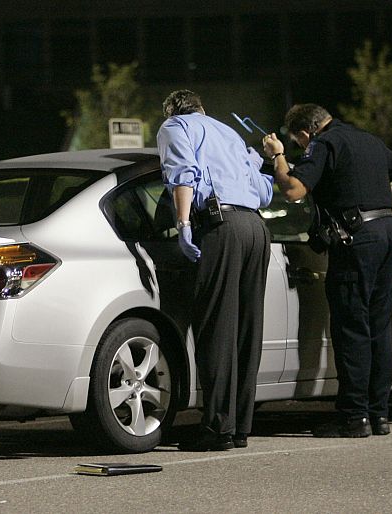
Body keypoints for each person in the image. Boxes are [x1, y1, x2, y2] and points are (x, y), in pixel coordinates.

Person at [262, 104, 392, 437]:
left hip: (357, 243)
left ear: (306, 132)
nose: (302, 148)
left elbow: (293, 190)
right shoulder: (369, 139)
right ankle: (379, 415)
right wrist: (387, 215)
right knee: (379, 326)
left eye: (298, 143)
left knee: (351, 327)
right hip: (389, 236)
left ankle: (354, 417)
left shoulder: (324, 144)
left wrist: (277, 156)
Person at [157, 89, 274, 451]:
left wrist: (182, 224)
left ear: (172, 110)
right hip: (256, 228)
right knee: (246, 330)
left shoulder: (175, 126)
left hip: (221, 226)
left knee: (217, 328)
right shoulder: (230, 133)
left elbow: (182, 175)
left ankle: (217, 428)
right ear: (203, 108)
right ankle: (240, 427)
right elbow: (265, 193)